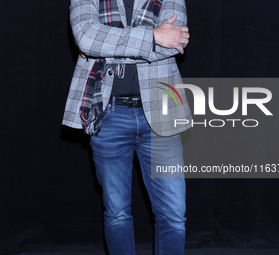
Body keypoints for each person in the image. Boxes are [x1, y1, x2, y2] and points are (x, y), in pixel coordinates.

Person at [62, 0, 192, 254]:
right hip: (107, 113)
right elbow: (86, 37)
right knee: (117, 212)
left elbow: (176, 42)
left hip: (162, 113)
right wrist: (155, 36)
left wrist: (105, 42)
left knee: (175, 215)